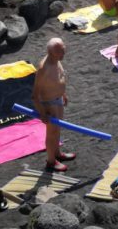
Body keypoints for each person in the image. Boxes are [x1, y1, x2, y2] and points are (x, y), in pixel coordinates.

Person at [33, 38, 75, 172]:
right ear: (51, 52)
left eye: (64, 50)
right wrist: (42, 113)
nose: (64, 54)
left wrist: (63, 93)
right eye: (60, 52)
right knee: (51, 133)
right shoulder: (43, 68)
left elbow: (59, 78)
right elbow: (35, 95)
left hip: (57, 100)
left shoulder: (56, 60)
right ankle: (51, 161)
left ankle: (57, 153)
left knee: (57, 130)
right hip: (48, 103)